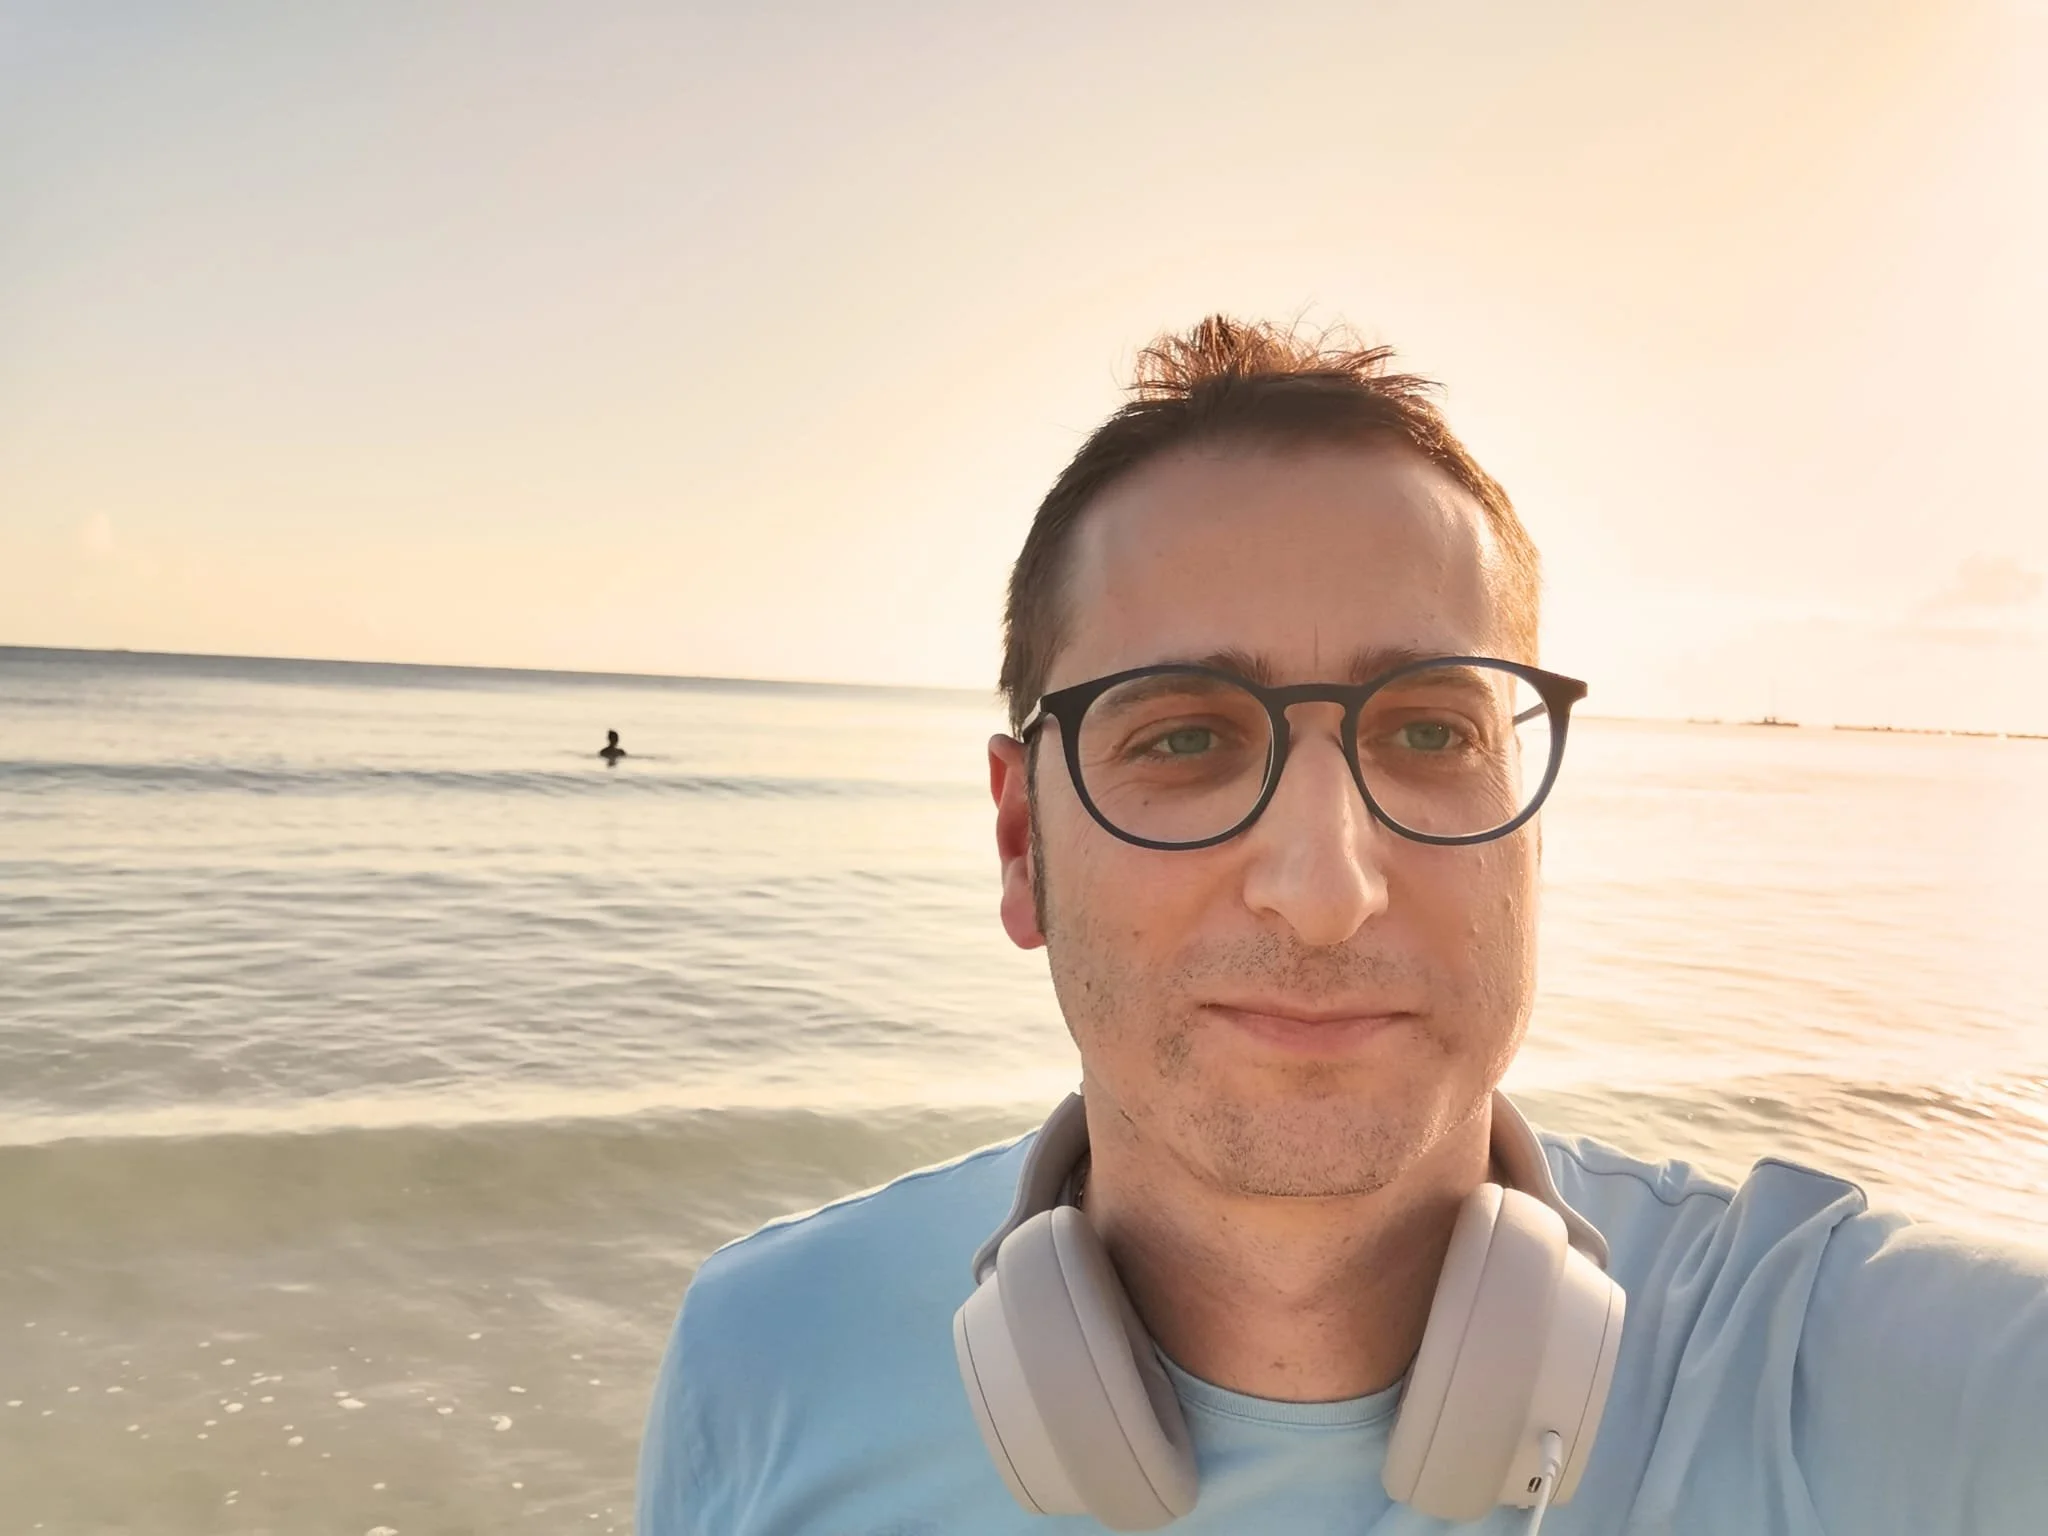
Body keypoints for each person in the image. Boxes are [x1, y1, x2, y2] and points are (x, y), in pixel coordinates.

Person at [636, 318, 2048, 1535]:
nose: (1326, 888)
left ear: (1530, 829)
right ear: (1022, 840)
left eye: (1431, 730)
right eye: (1183, 737)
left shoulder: (1870, 1373)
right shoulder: (767, 1355)